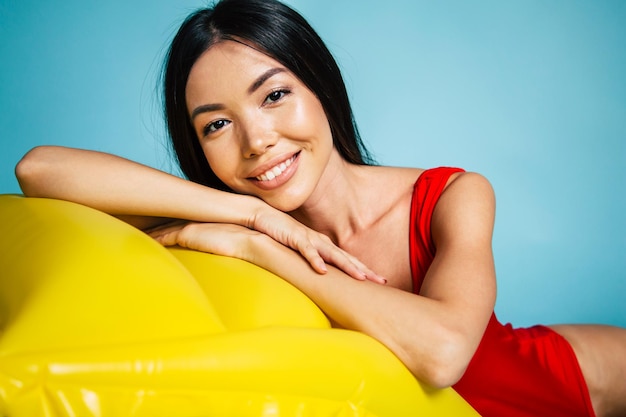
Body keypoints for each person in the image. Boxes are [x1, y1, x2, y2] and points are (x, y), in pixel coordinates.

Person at [14, 0, 626, 416]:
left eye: (276, 95)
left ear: (321, 89)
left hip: (569, 378)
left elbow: (443, 353)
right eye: (217, 125)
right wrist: (253, 218)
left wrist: (261, 248)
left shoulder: (451, 195)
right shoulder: (224, 224)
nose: (257, 142)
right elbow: (36, 170)